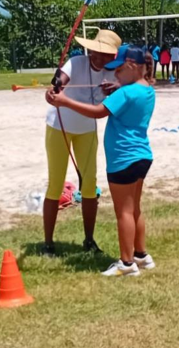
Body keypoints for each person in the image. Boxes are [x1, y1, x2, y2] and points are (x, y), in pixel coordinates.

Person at [48, 45, 156, 277]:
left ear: (132, 66)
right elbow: (127, 96)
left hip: (123, 159)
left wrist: (64, 101)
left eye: (119, 69)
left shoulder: (124, 93)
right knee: (135, 209)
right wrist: (119, 87)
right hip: (142, 156)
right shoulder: (147, 90)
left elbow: (98, 111)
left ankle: (126, 264)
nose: (114, 73)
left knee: (123, 212)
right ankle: (141, 255)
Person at [43, 29, 121, 257]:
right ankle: (48, 244)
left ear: (112, 56)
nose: (98, 56)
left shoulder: (115, 73)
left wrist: (117, 88)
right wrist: (55, 88)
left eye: (105, 54)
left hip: (87, 130)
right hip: (59, 128)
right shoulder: (76, 62)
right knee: (55, 184)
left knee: (89, 185)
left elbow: (138, 82)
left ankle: (89, 240)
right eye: (96, 51)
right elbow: (60, 81)